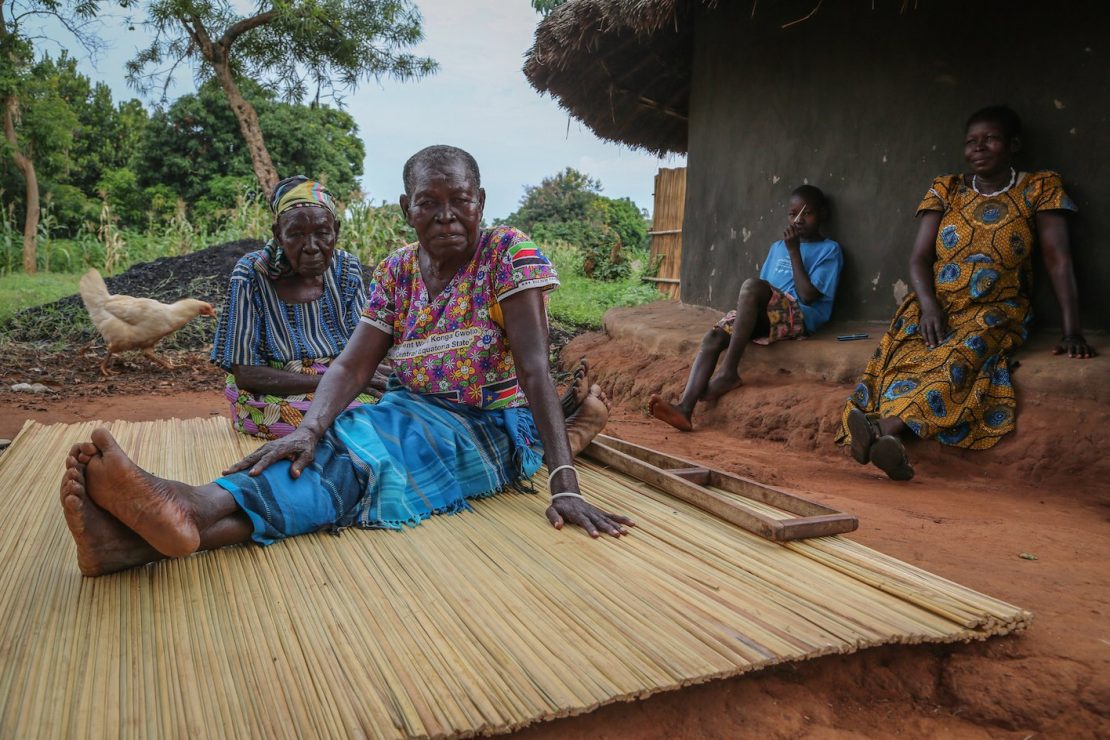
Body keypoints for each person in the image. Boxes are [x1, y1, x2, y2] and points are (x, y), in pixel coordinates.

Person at [59, 145, 631, 577]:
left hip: (489, 426)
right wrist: (308, 427)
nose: (447, 215)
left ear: (480, 201)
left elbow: (534, 370)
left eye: (461, 200)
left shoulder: (507, 253)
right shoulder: (398, 271)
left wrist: (564, 483)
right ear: (407, 208)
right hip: (407, 410)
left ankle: (192, 503)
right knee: (337, 450)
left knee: (359, 463)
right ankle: (140, 541)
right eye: (429, 203)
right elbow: (354, 366)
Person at [838, 105, 1095, 481]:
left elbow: (1058, 261)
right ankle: (883, 440)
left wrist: (1072, 331)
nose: (979, 148)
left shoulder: (1039, 188)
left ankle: (882, 430)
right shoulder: (946, 189)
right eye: (971, 142)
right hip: (936, 304)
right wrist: (927, 307)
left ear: (1014, 145)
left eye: (990, 139)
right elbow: (919, 259)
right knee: (906, 357)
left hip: (995, 308)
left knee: (958, 358)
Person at [650, 185, 843, 431]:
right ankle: (685, 409)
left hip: (801, 316)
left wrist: (794, 252)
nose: (798, 220)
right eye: (793, 214)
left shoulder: (829, 250)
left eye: (807, 213)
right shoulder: (777, 247)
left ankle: (729, 372)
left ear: (823, 214)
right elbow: (764, 292)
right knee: (714, 337)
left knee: (752, 286)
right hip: (772, 314)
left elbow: (808, 296)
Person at [210, 175, 386, 439]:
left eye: (322, 233)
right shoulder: (251, 274)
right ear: (278, 236)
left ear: (336, 231)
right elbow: (247, 373)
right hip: (272, 394)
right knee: (348, 419)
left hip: (338, 375)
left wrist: (369, 374)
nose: (312, 247)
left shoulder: (346, 269)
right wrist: (333, 381)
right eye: (296, 235)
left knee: (396, 404)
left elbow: (360, 350)